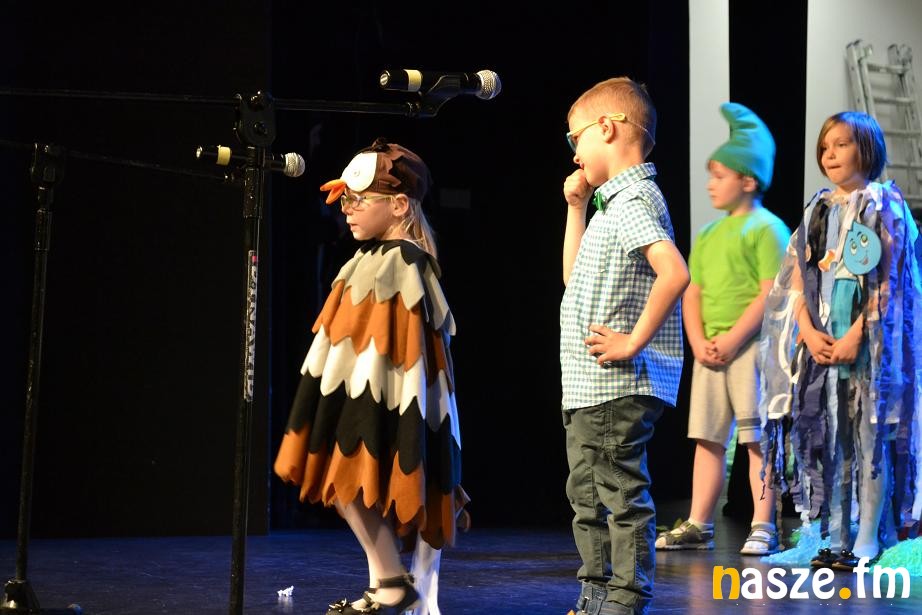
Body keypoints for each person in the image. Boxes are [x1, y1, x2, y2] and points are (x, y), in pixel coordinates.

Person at [273, 138, 465, 615]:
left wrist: (382, 404)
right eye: (345, 200)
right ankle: (386, 583)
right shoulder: (371, 258)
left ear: (398, 205)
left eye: (359, 199)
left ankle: (395, 585)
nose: (347, 209)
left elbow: (407, 352)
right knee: (345, 481)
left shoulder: (403, 262)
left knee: (355, 478)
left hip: (390, 398)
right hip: (364, 392)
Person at [760, 111, 922, 570]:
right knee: (833, 442)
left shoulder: (884, 206)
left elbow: (889, 282)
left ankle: (867, 535)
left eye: (842, 144)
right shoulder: (819, 209)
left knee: (869, 438)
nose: (830, 154)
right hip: (822, 347)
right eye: (825, 147)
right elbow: (797, 277)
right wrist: (809, 331)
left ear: (866, 149)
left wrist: (856, 335)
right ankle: (836, 534)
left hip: (868, 351)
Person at [560, 77, 689, 615]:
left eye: (576, 138)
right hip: (589, 385)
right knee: (587, 496)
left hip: (616, 384)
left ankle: (627, 598)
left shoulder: (634, 198)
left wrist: (634, 342)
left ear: (608, 129)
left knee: (620, 493)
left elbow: (675, 273)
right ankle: (596, 595)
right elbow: (572, 281)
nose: (574, 152)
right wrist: (576, 209)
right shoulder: (610, 205)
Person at [655, 103, 790, 555]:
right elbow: (692, 291)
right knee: (708, 439)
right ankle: (699, 522)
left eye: (720, 175)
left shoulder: (768, 229)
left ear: (748, 180)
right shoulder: (709, 234)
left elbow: (770, 293)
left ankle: (763, 524)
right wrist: (697, 341)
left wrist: (732, 339)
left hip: (751, 348)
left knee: (756, 439)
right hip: (711, 350)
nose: (711, 183)